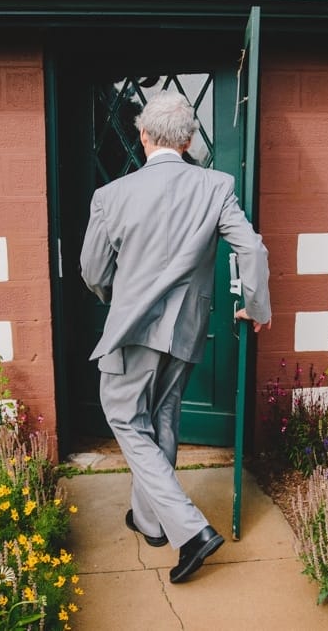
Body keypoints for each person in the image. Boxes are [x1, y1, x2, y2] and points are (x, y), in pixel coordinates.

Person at [80, 89, 271, 584]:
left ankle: (190, 532)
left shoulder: (111, 196)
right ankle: (150, 520)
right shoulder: (216, 186)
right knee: (162, 416)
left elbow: (93, 269)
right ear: (187, 140)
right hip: (186, 329)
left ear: (143, 136)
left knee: (125, 418)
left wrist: (110, 296)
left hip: (132, 329)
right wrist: (256, 306)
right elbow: (250, 248)